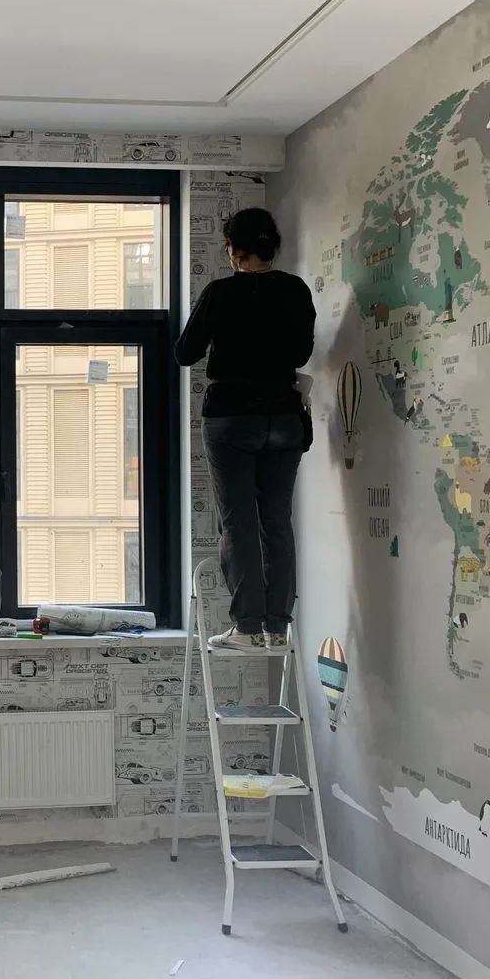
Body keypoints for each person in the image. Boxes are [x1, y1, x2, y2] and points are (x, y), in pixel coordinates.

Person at [176, 208, 315, 654]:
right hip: (284, 417)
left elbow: (185, 352)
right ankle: (278, 626)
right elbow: (300, 353)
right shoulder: (295, 289)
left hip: (231, 417)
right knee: (277, 519)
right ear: (271, 246)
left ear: (234, 250)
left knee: (238, 521)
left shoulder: (220, 293)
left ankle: (248, 626)